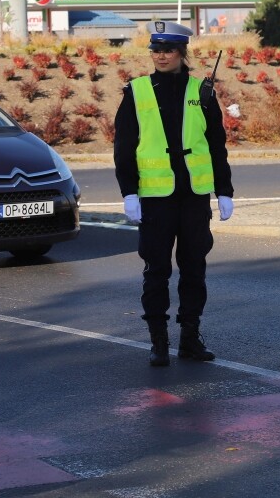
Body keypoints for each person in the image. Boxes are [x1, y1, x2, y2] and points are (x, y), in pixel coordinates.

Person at [113, 20, 235, 367]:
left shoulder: (203, 92)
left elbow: (216, 147)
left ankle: (189, 339)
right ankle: (158, 341)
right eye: (156, 50)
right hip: (155, 199)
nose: (161, 56)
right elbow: (124, 147)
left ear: (183, 53)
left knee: (194, 269)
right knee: (156, 271)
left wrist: (224, 191)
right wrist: (129, 192)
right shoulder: (136, 92)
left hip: (194, 197)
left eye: (168, 50)